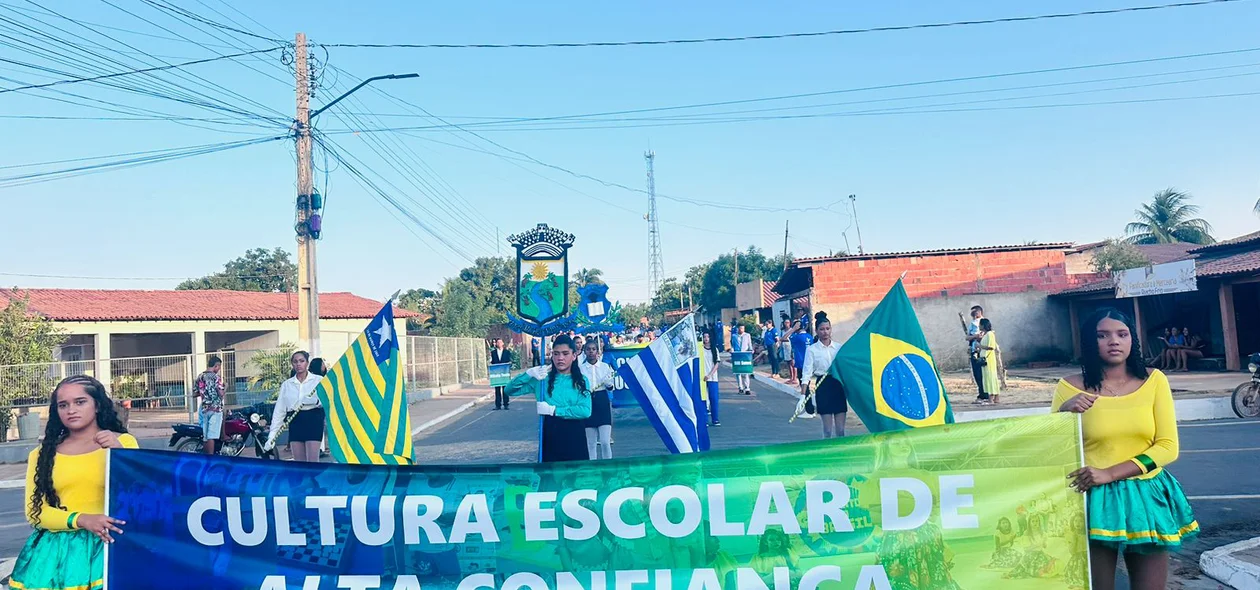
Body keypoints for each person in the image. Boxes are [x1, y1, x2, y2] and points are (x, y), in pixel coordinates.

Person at [1053, 307, 1198, 590]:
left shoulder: (1155, 381)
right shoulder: (1068, 388)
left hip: (1147, 495)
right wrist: (1062, 414)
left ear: (1133, 340)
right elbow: (1054, 451)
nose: (1114, 341)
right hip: (1091, 498)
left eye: (1122, 334)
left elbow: (1168, 447)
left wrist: (1110, 472)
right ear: (1089, 342)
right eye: (1102, 335)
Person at [11, 376, 138, 590]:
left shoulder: (124, 443)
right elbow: (35, 513)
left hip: (109, 547)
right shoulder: (42, 454)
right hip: (54, 557)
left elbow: (140, 496)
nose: (71, 410)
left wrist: (119, 455)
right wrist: (82, 519)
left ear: (97, 405)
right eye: (63, 405)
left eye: (80, 402)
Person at [504, 335, 592, 462]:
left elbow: (585, 410)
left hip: (575, 436)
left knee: (576, 478)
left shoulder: (581, 381)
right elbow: (509, 390)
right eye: (556, 354)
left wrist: (554, 410)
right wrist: (528, 374)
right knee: (551, 479)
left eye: (565, 353)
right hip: (551, 435)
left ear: (574, 356)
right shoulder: (541, 380)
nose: (560, 358)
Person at [265, 351, 325, 462]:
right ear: (292, 364)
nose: (298, 364)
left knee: (312, 462)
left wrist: (316, 401)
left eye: (302, 361)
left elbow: (328, 401)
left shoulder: (318, 380)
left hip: (313, 420)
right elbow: (280, 411)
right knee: (299, 463)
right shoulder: (287, 384)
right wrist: (272, 436)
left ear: (307, 363)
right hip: (295, 420)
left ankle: (313, 479)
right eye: (295, 361)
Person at [801, 311, 846, 438]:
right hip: (823, 386)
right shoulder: (812, 350)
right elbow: (806, 374)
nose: (825, 332)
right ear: (816, 331)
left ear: (831, 329)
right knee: (827, 431)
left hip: (838, 386)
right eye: (822, 329)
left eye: (827, 329)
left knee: (841, 431)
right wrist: (802, 396)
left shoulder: (839, 348)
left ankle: (841, 455)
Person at [577, 340, 615, 460]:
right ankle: (592, 468)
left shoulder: (604, 367)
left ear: (597, 352)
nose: (591, 352)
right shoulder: (581, 369)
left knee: (604, 441)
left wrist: (608, 383)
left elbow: (611, 387)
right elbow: (577, 387)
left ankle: (608, 467)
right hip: (588, 403)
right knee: (591, 443)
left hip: (602, 402)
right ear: (585, 351)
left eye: (593, 349)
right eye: (588, 349)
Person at [194, 356, 225, 455]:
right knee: (212, 436)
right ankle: (211, 459)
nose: (219, 369)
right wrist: (226, 388)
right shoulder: (216, 378)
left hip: (204, 409)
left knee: (206, 436)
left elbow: (195, 393)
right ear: (216, 366)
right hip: (215, 409)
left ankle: (205, 458)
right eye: (219, 367)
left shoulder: (200, 376)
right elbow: (221, 394)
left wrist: (204, 392)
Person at [965, 305, 991, 404]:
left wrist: (979, 338)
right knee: (977, 374)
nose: (973, 315)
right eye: (972, 313)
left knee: (983, 374)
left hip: (982, 352)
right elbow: (967, 337)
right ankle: (981, 393)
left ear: (979, 313)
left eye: (975, 313)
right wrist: (974, 337)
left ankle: (986, 394)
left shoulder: (984, 323)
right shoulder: (972, 324)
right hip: (974, 350)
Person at [977, 318, 1005, 404]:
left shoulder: (990, 334)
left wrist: (980, 346)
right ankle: (996, 398)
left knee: (990, 378)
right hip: (986, 358)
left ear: (983, 325)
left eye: (980, 325)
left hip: (988, 359)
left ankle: (991, 398)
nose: (979, 326)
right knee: (989, 378)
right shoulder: (986, 334)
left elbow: (991, 347)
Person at [702, 332, 721, 426]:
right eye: (704, 337)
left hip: (712, 378)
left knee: (713, 398)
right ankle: (704, 420)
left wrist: (709, 375)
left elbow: (717, 364)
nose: (706, 338)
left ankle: (715, 419)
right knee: (703, 400)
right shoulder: (700, 349)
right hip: (702, 379)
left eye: (708, 337)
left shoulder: (715, 349)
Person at [789, 319, 813, 390]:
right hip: (809, 361)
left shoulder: (796, 337)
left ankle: (805, 396)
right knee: (807, 379)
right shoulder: (810, 336)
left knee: (802, 380)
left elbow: (783, 338)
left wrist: (792, 330)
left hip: (801, 362)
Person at [490, 338, 513, 410]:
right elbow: (492, 362)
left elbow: (509, 361)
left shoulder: (507, 352)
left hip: (504, 373)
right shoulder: (493, 352)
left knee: (505, 389)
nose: (499, 344)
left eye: (500, 342)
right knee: (497, 389)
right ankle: (498, 405)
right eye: (498, 342)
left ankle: (506, 404)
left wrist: (510, 364)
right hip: (497, 374)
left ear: (503, 343)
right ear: (496, 344)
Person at [733, 324, 753, 395]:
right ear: (738, 329)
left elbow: (749, 344)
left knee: (746, 372)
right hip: (737, 355)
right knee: (738, 373)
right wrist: (732, 351)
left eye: (743, 328)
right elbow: (733, 345)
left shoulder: (747, 335)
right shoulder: (734, 336)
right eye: (740, 328)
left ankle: (747, 388)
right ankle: (740, 387)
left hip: (745, 355)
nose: (742, 330)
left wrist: (751, 350)